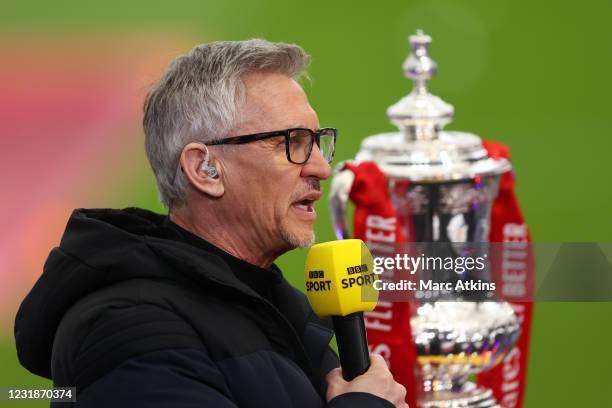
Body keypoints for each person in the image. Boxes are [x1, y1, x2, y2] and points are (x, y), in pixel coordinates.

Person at [15, 39, 408, 408]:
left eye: (318, 141)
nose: (321, 168)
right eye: (292, 143)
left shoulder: (269, 303)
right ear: (205, 169)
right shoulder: (132, 332)